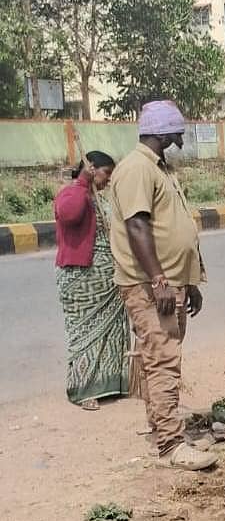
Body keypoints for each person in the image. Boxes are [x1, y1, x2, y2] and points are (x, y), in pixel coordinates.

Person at [108, 101, 217, 471]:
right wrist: (159, 281)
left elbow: (173, 227)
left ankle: (161, 427)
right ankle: (171, 445)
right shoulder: (137, 168)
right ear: (161, 130)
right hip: (150, 285)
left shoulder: (159, 168)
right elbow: (138, 227)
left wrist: (190, 280)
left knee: (158, 356)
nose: (181, 133)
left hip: (171, 282)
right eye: (176, 128)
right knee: (164, 360)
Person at [54, 150, 129, 410]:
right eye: (106, 173)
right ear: (92, 168)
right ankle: (84, 390)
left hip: (107, 279)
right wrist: (83, 181)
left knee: (109, 333)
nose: (108, 180)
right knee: (84, 334)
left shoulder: (100, 198)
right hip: (80, 278)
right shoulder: (72, 193)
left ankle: (110, 383)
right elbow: (70, 214)